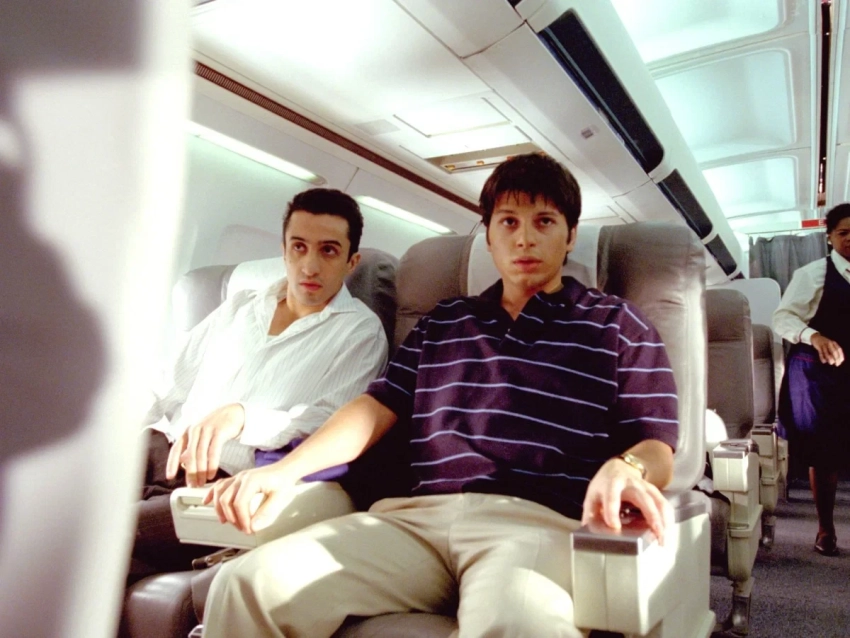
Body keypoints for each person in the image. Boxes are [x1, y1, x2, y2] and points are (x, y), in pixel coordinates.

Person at [201, 154, 679, 638]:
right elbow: (374, 409)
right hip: (415, 523)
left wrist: (628, 467)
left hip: (535, 524)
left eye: (544, 222)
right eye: (508, 222)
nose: (524, 238)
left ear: (570, 235)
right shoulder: (446, 320)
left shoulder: (616, 324)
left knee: (516, 626)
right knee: (247, 584)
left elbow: (657, 445)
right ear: (488, 236)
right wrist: (284, 472)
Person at [130, 188, 388, 581]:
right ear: (284, 251)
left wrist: (241, 417)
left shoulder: (361, 332)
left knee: (95, 533)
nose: (309, 266)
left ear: (351, 262)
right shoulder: (240, 306)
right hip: (156, 453)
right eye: (299, 247)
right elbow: (167, 383)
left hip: (221, 488)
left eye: (328, 251)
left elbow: (328, 422)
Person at [774, 203, 850, 557]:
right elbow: (783, 318)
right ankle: (825, 529)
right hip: (818, 373)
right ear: (830, 237)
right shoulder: (814, 273)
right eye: (843, 233)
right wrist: (813, 336)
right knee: (825, 452)